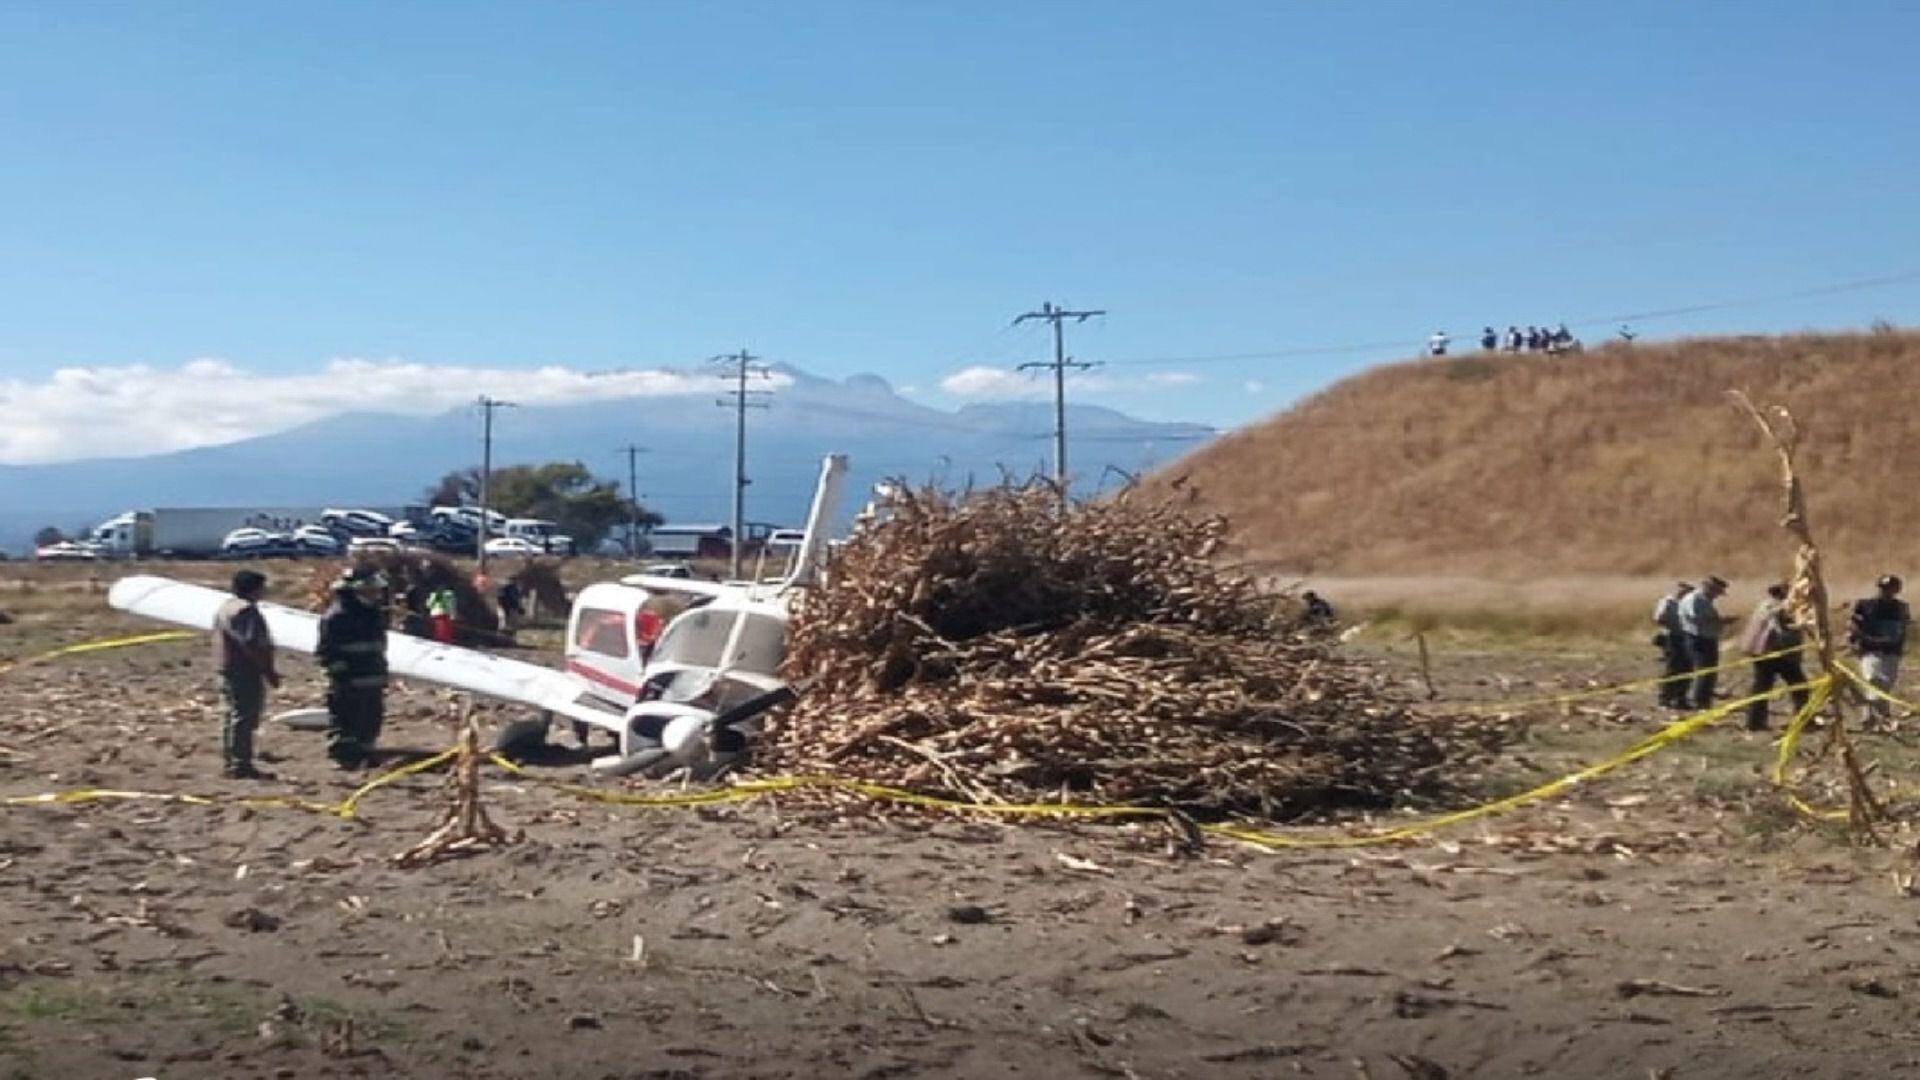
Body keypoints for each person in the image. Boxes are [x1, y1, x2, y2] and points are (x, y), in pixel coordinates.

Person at [317, 566, 390, 769]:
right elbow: (327, 651)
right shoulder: (336, 617)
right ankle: (344, 757)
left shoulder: (373, 614)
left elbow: (378, 645)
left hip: (372, 677)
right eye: (370, 589)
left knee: (371, 719)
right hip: (350, 680)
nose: (375, 594)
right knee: (346, 719)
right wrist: (341, 676)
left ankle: (365, 753)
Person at [212, 569, 280, 779]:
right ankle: (241, 764)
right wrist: (268, 670)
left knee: (230, 715)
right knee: (244, 716)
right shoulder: (246, 611)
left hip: (226, 668)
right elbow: (253, 644)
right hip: (244, 670)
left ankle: (230, 759)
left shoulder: (226, 607)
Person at [1741, 583, 1810, 732]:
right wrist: (1801, 625)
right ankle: (1755, 722)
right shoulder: (1774, 607)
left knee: (1763, 687)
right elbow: (1781, 628)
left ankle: (1755, 722)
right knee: (1798, 687)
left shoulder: (1770, 605)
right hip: (1774, 653)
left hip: (1774, 653)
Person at [1850, 574, 1911, 726]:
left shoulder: (1900, 608)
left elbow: (1902, 629)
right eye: (1884, 588)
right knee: (1871, 679)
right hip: (1870, 649)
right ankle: (1870, 715)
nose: (1886, 592)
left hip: (1891, 652)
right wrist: (1855, 639)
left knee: (1885, 683)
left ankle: (1879, 714)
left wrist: (1896, 642)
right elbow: (1853, 625)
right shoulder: (1865, 605)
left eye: (1890, 589)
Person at [1677, 575, 1728, 710]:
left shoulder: (1704, 600)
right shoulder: (1695, 599)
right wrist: (1721, 620)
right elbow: (1697, 618)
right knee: (1704, 672)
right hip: (1699, 639)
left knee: (1709, 672)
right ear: (1709, 588)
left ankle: (1704, 700)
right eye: (1716, 592)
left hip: (1707, 638)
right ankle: (1700, 702)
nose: (1716, 596)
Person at [1651, 581, 1694, 709]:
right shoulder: (1669, 602)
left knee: (1687, 668)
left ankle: (1681, 698)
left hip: (1686, 637)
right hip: (1671, 637)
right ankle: (1665, 698)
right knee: (1673, 668)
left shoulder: (1688, 603)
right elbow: (1659, 618)